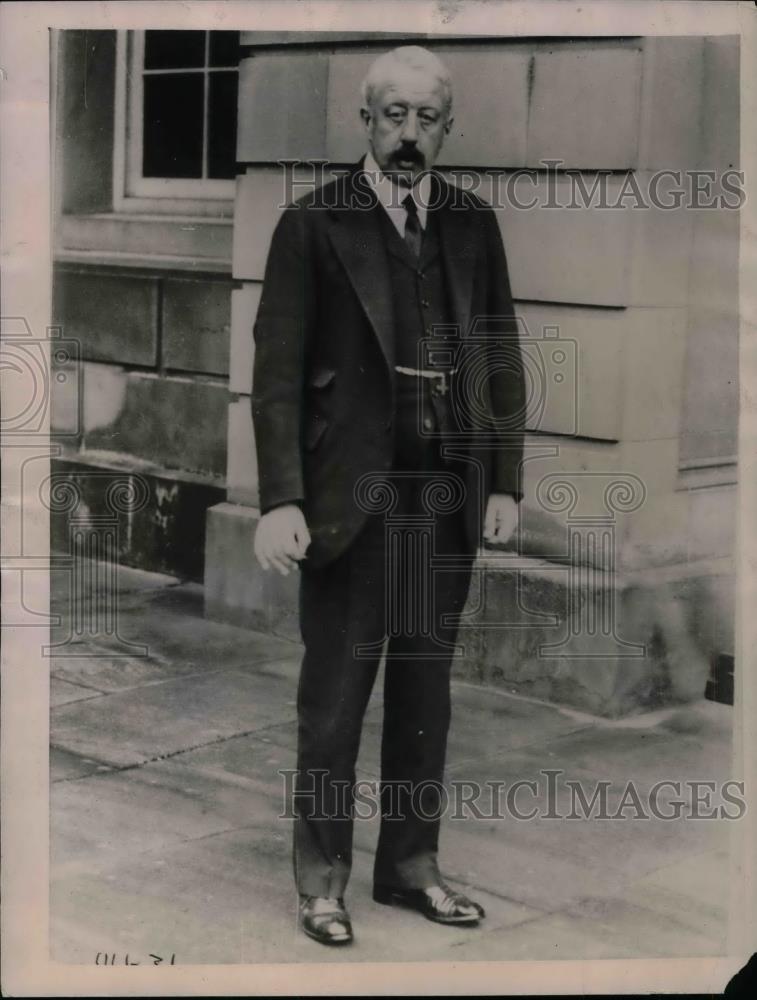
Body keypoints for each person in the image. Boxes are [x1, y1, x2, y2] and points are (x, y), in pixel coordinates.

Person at [251, 45, 525, 945]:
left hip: (442, 502)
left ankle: (409, 867)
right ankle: (320, 879)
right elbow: (277, 375)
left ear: (447, 127)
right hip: (347, 504)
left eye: (426, 117)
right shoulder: (311, 224)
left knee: (424, 693)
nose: (409, 134)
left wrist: (504, 483)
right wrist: (281, 498)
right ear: (366, 121)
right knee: (333, 701)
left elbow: (497, 358)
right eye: (394, 114)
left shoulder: (471, 225)